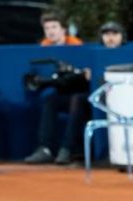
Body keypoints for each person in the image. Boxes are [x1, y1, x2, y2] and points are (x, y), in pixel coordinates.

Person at [24, 12, 87, 165]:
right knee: (50, 99)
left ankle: (67, 149)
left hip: (81, 95)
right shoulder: (42, 48)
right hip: (61, 94)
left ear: (63, 29)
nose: (51, 31)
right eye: (47, 28)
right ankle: (45, 149)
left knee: (77, 100)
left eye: (54, 27)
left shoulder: (78, 46)